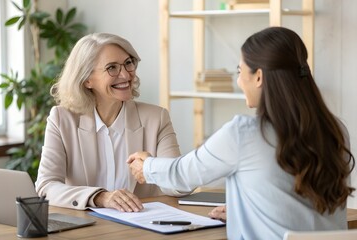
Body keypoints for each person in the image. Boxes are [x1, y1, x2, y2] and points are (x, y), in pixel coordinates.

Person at [127, 27, 355, 239]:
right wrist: (247, 210)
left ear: (259, 77)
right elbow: (294, 202)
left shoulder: (243, 134)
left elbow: (182, 175)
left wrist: (146, 165)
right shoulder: (335, 130)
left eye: (239, 71)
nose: (238, 80)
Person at [35, 32, 188, 212]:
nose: (125, 75)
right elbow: (46, 187)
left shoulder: (156, 118)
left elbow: (180, 184)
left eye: (128, 63)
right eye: (112, 68)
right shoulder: (62, 119)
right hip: (84, 230)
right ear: (87, 80)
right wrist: (100, 197)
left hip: (141, 228)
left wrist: (153, 168)